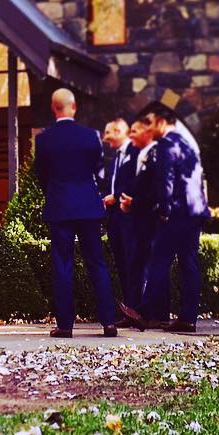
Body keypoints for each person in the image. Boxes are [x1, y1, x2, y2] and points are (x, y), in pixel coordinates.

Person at [33, 88, 117, 339]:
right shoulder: (90, 136)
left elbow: (42, 175)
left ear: (53, 107)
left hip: (60, 207)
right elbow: (99, 171)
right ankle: (108, 321)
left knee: (62, 265)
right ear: (74, 106)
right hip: (89, 207)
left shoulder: (44, 139)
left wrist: (55, 192)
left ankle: (66, 325)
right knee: (97, 263)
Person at [133, 102, 209, 334]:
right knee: (188, 263)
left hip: (177, 211)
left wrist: (163, 209)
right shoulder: (187, 144)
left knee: (159, 260)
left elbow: (165, 182)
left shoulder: (166, 145)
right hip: (195, 211)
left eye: (151, 122)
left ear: (162, 122)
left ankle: (145, 313)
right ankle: (188, 317)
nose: (149, 126)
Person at [116, 116, 157, 327]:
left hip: (151, 218)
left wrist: (135, 202)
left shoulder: (156, 154)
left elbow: (157, 189)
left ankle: (153, 315)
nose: (130, 135)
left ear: (147, 132)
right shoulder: (139, 154)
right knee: (136, 264)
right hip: (137, 216)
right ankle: (134, 311)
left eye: (135, 131)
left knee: (151, 266)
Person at [99, 116, 133, 303]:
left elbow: (136, 182)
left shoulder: (134, 153)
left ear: (119, 131)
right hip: (115, 218)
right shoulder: (114, 158)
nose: (105, 138)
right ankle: (129, 307)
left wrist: (117, 195)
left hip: (129, 217)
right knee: (122, 264)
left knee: (132, 264)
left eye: (108, 132)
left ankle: (138, 309)